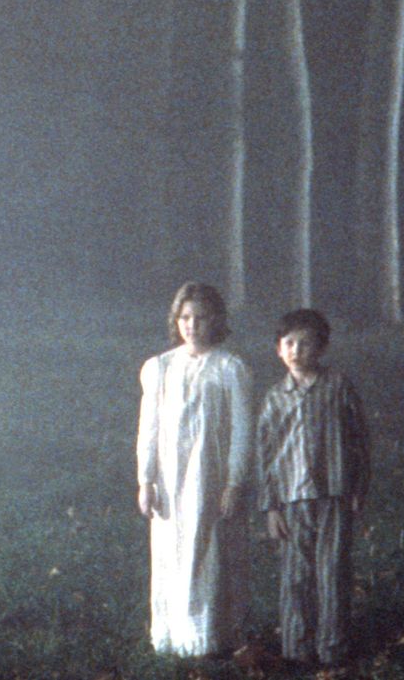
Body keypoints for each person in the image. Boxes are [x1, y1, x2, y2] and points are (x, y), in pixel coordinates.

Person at [135, 281, 254, 657]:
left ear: (215, 320)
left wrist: (234, 482)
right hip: (170, 478)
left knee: (207, 550)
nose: (192, 325)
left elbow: (241, 430)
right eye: (185, 317)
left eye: (201, 318)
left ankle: (207, 635)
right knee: (171, 549)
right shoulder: (160, 367)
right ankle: (172, 633)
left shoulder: (229, 368)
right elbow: (149, 428)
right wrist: (146, 479)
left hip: (208, 476)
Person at [256, 308, 370, 668]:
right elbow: (266, 455)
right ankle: (297, 649)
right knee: (296, 575)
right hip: (292, 498)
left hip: (334, 492)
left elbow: (359, 438)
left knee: (332, 571)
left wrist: (359, 486)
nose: (296, 350)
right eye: (289, 343)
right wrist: (271, 506)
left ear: (321, 348)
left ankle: (333, 648)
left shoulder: (337, 386)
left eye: (305, 343)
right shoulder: (275, 398)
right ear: (278, 349)